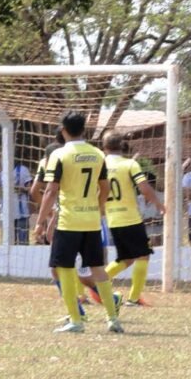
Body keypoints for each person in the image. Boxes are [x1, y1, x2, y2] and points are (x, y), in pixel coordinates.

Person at [33, 111, 123, 334]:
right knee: (98, 269)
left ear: (63, 129)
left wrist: (40, 222)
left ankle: (76, 320)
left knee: (63, 267)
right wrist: (99, 208)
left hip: (68, 221)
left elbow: (51, 191)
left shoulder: (59, 155)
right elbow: (105, 187)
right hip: (91, 220)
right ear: (84, 130)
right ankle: (112, 319)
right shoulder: (97, 154)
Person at [102, 131, 165, 307]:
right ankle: (134, 298)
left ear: (105, 147)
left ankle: (97, 283)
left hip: (112, 218)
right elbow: (144, 188)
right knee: (143, 255)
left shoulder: (100, 165)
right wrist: (159, 205)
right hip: (130, 217)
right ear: (122, 145)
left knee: (126, 259)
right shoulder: (130, 164)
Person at [0, 158, 33, 245]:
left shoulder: (23, 170)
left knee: (23, 244)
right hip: (6, 213)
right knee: (7, 243)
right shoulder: (2, 172)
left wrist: (21, 189)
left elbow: (30, 189)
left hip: (21, 213)